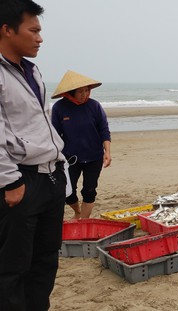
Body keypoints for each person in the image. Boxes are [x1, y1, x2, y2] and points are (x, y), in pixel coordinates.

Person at [0, 1, 68, 309]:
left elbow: (39, 120)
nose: (40, 38)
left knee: (45, 259)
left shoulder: (31, 70)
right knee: (13, 265)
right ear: (7, 30)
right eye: (34, 30)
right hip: (20, 180)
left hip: (50, 175)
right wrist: (9, 181)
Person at [51, 70, 111, 219]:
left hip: (94, 156)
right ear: (71, 92)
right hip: (70, 158)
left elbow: (104, 130)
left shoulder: (94, 106)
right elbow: (54, 135)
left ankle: (83, 220)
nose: (84, 94)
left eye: (87, 90)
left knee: (89, 191)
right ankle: (77, 212)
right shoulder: (59, 108)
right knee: (67, 191)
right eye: (80, 91)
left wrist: (107, 152)